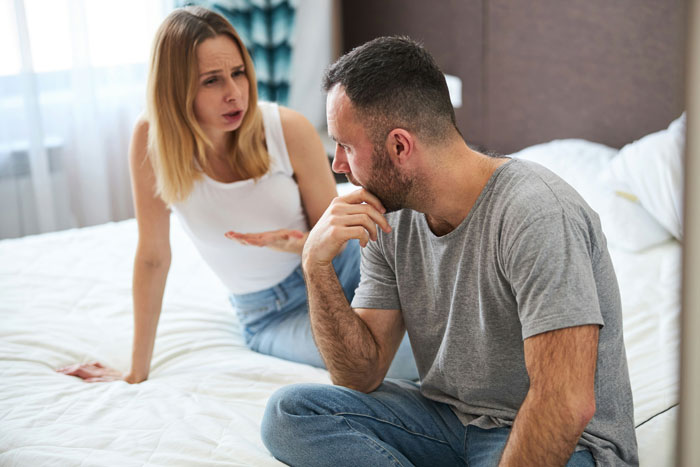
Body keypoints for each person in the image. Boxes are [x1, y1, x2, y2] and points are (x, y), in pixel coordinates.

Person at [261, 36, 639, 466]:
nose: (338, 166)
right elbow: (359, 376)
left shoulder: (535, 213)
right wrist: (316, 264)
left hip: (559, 439)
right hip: (447, 421)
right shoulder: (389, 217)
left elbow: (566, 402)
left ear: (400, 147)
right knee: (289, 413)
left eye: (345, 146)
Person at [56, 7, 417, 384]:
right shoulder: (151, 142)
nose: (234, 94)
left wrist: (297, 245)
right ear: (176, 88)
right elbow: (152, 257)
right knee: (403, 359)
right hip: (273, 314)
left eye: (238, 73)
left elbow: (336, 241)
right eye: (211, 81)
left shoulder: (287, 130)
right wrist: (135, 372)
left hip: (343, 271)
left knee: (439, 321)